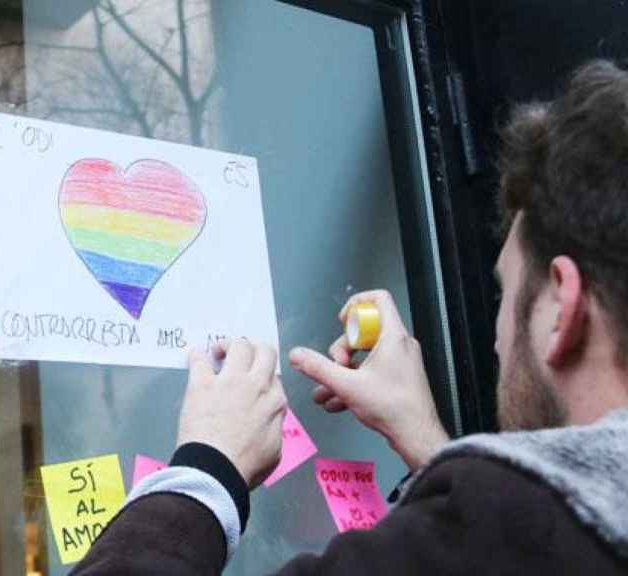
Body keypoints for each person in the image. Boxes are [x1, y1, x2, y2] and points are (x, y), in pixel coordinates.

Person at [71, 59, 628, 575]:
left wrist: (207, 464)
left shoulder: (509, 533)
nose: (500, 342)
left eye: (506, 292)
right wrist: (427, 442)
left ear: (561, 305)